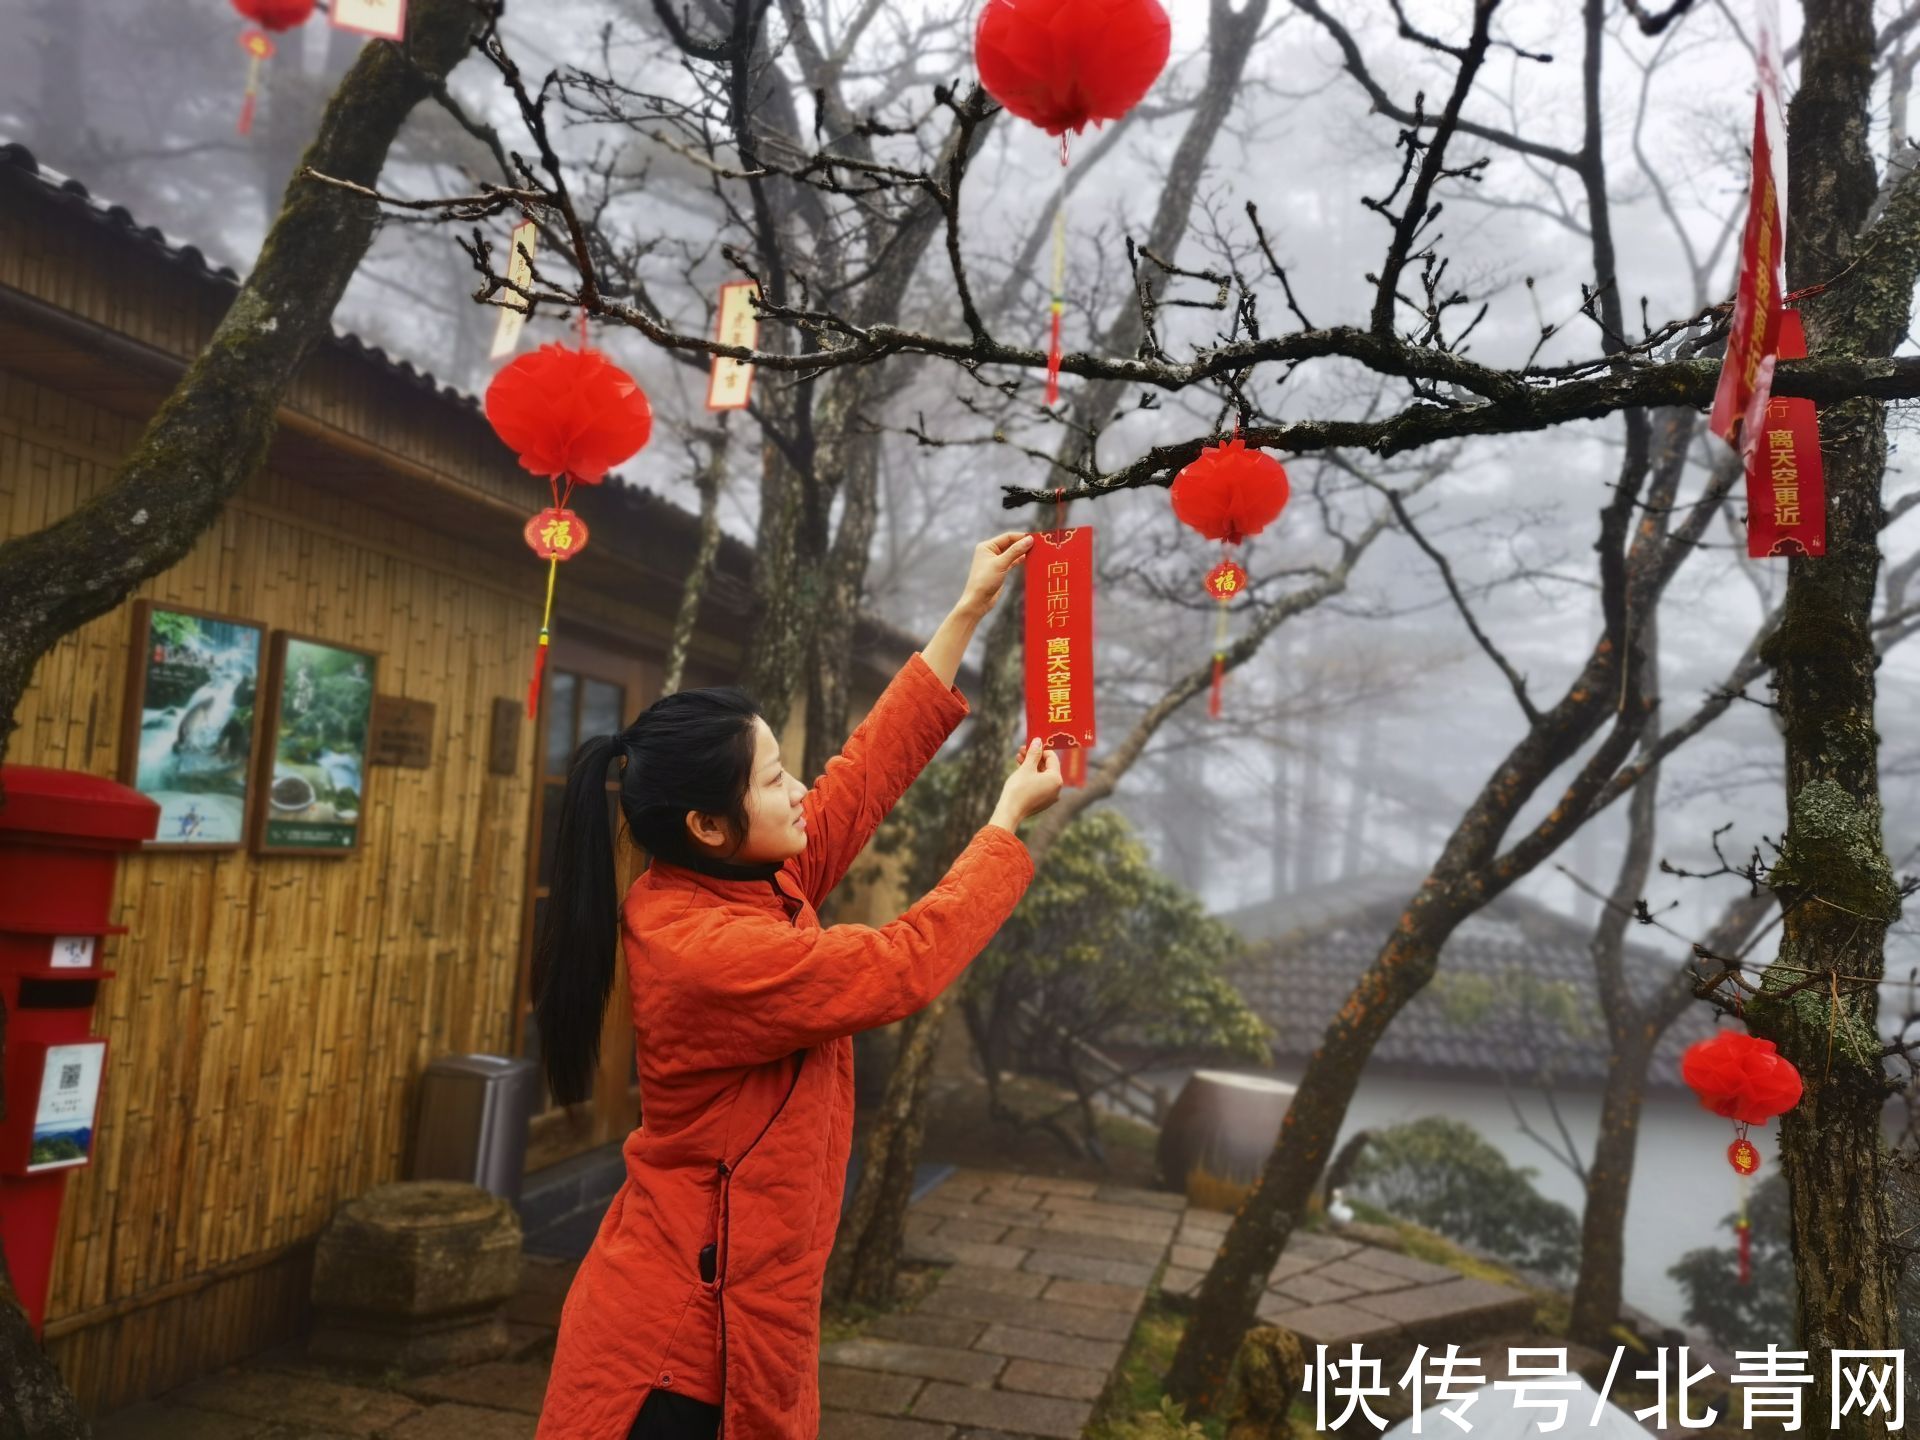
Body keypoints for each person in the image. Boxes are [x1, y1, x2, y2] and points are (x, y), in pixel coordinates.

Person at [532, 533, 1063, 1440]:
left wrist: (969, 608)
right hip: (681, 1350)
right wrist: (1005, 827)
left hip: (715, 1301)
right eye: (776, 779)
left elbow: (862, 777)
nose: (801, 788)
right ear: (707, 822)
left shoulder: (739, 879)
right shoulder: (710, 949)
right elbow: (900, 967)